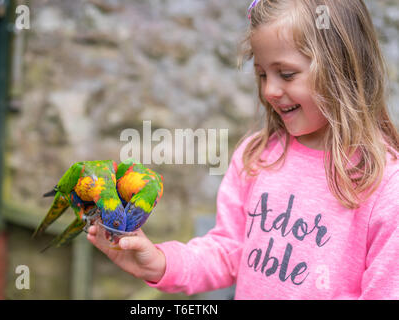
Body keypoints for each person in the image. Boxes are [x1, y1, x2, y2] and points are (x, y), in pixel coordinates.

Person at [87, 0, 399, 299]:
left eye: (287, 74)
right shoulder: (256, 155)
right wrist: (159, 262)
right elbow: (227, 251)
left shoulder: (385, 184)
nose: (270, 90)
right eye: (262, 74)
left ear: (341, 67)